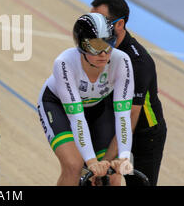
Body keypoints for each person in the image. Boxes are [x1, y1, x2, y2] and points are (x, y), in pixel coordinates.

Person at [37, 13, 134, 186]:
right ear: (81, 45)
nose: (104, 53)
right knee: (74, 166)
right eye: (96, 45)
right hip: (58, 106)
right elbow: (76, 117)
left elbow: (123, 115)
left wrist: (124, 157)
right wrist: (90, 162)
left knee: (112, 175)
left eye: (109, 43)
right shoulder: (64, 63)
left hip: (96, 108)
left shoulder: (122, 61)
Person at [90, 0, 167, 186]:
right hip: (111, 124)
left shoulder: (138, 62)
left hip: (144, 134)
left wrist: (105, 160)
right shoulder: (95, 48)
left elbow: (131, 116)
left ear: (119, 24)